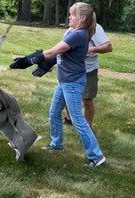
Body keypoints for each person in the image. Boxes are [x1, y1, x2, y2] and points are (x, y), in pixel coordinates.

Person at [10, 2, 105, 167]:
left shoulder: (79, 34)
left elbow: (53, 51)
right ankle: (57, 143)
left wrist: (27, 60)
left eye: (72, 15)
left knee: (77, 120)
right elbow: (58, 54)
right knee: (54, 112)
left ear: (82, 18)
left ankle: (96, 156)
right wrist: (47, 63)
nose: (69, 17)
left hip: (73, 83)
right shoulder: (75, 32)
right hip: (65, 81)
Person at [63, 24, 113, 127]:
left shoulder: (95, 28)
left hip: (88, 71)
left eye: (73, 14)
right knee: (67, 95)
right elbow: (62, 49)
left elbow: (108, 47)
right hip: (70, 69)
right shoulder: (71, 29)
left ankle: (88, 126)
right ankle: (69, 119)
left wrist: (90, 49)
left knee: (87, 99)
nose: (70, 17)